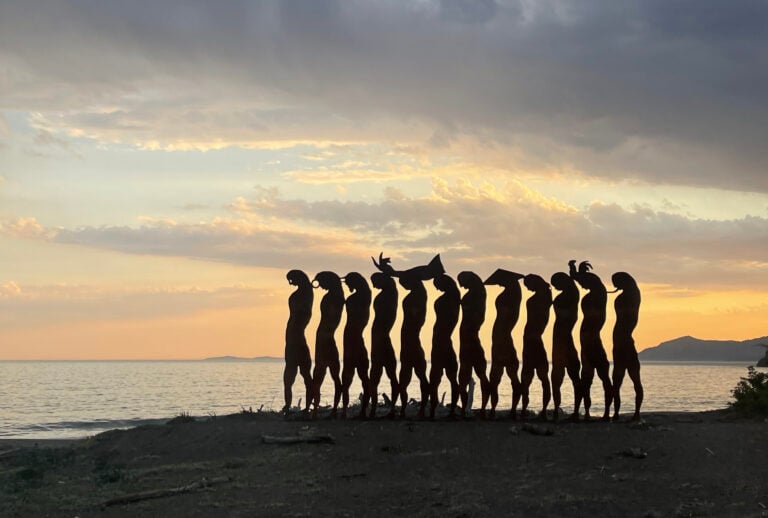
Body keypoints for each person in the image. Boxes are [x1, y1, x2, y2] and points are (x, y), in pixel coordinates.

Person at [569, 260, 612, 420]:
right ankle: (583, 412)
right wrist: (573, 270)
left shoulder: (598, 295)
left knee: (597, 377)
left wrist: (575, 272)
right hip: (587, 341)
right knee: (587, 378)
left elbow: (581, 279)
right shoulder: (595, 294)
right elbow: (578, 279)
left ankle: (606, 412)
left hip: (591, 341)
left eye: (584, 283)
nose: (582, 286)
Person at [484, 269, 524, 419]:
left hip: (502, 340)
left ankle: (510, 409)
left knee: (501, 376)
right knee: (498, 376)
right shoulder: (511, 294)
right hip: (500, 339)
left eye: (501, 280)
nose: (499, 283)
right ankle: (494, 409)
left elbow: (507, 319)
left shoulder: (512, 296)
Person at [457, 271, 491, 418]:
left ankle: (482, 408)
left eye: (463, 282)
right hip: (466, 337)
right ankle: (466, 408)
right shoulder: (476, 293)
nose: (461, 285)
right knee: (464, 376)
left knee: (476, 373)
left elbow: (477, 317)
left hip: (470, 337)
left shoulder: (477, 294)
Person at [310, 271, 344, 418]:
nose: (321, 286)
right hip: (326, 337)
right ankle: (331, 409)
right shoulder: (337, 298)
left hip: (325, 338)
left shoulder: (332, 298)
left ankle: (317, 410)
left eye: (322, 283)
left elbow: (329, 319)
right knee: (332, 375)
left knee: (320, 375)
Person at [610, 271, 643, 421]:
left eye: (616, 282)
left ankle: (635, 413)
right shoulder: (624, 297)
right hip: (619, 345)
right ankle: (616, 413)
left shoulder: (632, 297)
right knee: (617, 382)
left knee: (632, 380)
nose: (615, 286)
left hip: (625, 345)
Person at [550, 272, 583, 421]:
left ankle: (576, 410)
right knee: (557, 379)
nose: (555, 287)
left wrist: (573, 272)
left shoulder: (571, 295)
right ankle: (557, 410)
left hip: (564, 340)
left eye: (556, 283)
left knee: (574, 377)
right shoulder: (565, 296)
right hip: (558, 340)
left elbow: (574, 290)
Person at [429, 273, 462, 418]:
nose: (437, 289)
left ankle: (445, 408)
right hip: (442, 340)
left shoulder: (450, 299)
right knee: (444, 377)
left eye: (437, 286)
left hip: (441, 341)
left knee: (439, 377)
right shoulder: (453, 298)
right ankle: (446, 408)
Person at [398, 272, 430, 418]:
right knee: (405, 378)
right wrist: (390, 271)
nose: (403, 286)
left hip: (411, 343)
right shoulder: (415, 296)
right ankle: (404, 409)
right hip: (407, 343)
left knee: (417, 376)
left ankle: (422, 408)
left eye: (404, 283)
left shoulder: (418, 297)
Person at [520, 274, 552, 419]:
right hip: (530, 340)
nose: (527, 288)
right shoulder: (542, 297)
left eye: (528, 285)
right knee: (529, 378)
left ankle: (543, 410)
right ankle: (524, 409)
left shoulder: (543, 298)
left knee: (540, 377)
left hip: (533, 341)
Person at [340, 272, 372, 419]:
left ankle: (350, 410)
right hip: (353, 339)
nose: (347, 286)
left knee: (349, 377)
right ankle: (356, 410)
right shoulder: (362, 297)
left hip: (352, 340)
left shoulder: (358, 298)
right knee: (359, 376)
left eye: (348, 283)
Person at [369, 272, 400, 418]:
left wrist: (388, 270)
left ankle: (392, 408)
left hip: (382, 340)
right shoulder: (385, 295)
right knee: (376, 376)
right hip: (377, 339)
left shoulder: (390, 294)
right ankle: (374, 409)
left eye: (375, 281)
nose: (373, 285)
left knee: (388, 374)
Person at [282, 269, 313, 415]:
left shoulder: (306, 295)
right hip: (291, 340)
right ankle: (287, 406)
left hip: (297, 339)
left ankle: (308, 406)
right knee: (289, 376)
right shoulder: (301, 294)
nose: (290, 283)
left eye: (291, 280)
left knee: (305, 374)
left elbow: (303, 314)